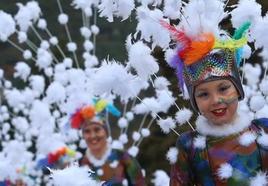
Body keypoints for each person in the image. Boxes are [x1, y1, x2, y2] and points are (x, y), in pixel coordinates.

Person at [166, 26, 268, 185]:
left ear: (238, 90)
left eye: (223, 88)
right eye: (203, 94)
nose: (215, 100)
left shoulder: (264, 130)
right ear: (195, 102)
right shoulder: (189, 146)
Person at [70, 101, 145, 186]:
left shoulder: (122, 156)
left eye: (97, 130)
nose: (93, 136)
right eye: (87, 131)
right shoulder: (80, 163)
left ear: (106, 132)